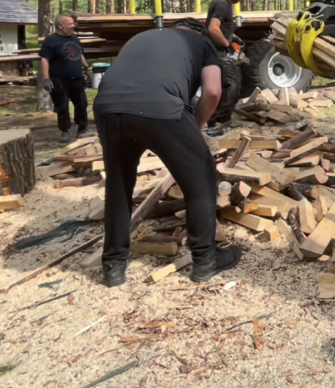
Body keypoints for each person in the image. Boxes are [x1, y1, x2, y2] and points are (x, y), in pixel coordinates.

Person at [92, 17, 240, 287]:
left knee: (119, 184)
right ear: (197, 33)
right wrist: (195, 126)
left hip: (107, 107)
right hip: (161, 106)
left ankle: (113, 264)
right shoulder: (202, 43)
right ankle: (206, 260)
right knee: (201, 178)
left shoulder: (140, 38)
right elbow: (212, 92)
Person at [204, 0, 247, 137]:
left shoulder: (225, 4)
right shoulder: (222, 4)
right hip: (217, 51)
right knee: (232, 84)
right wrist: (227, 44)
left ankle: (225, 118)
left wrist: (233, 37)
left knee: (234, 82)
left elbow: (221, 28)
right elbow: (213, 29)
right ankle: (217, 122)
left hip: (219, 50)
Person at [40, 14, 91, 141]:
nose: (73, 26)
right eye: (70, 24)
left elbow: (79, 53)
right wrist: (46, 79)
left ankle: (82, 129)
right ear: (61, 26)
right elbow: (45, 59)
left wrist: (86, 67)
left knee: (81, 104)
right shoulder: (51, 40)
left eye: (73, 23)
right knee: (62, 106)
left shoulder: (74, 38)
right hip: (59, 80)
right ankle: (65, 131)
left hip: (77, 79)